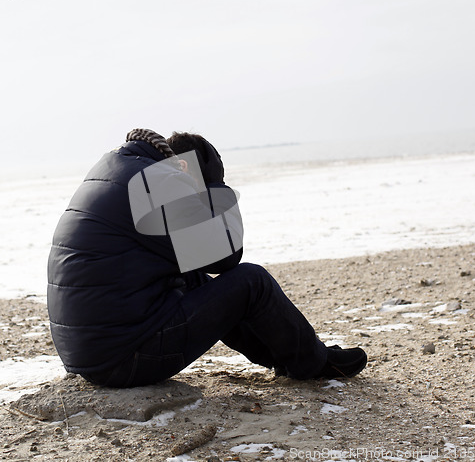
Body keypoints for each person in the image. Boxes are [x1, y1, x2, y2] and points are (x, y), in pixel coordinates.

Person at [47, 129, 367, 388]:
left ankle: (287, 357)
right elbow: (228, 256)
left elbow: (196, 263)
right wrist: (216, 187)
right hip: (125, 361)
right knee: (251, 282)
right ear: (184, 168)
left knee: (196, 280)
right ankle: (316, 364)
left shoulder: (118, 168)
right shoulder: (161, 180)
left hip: (88, 355)